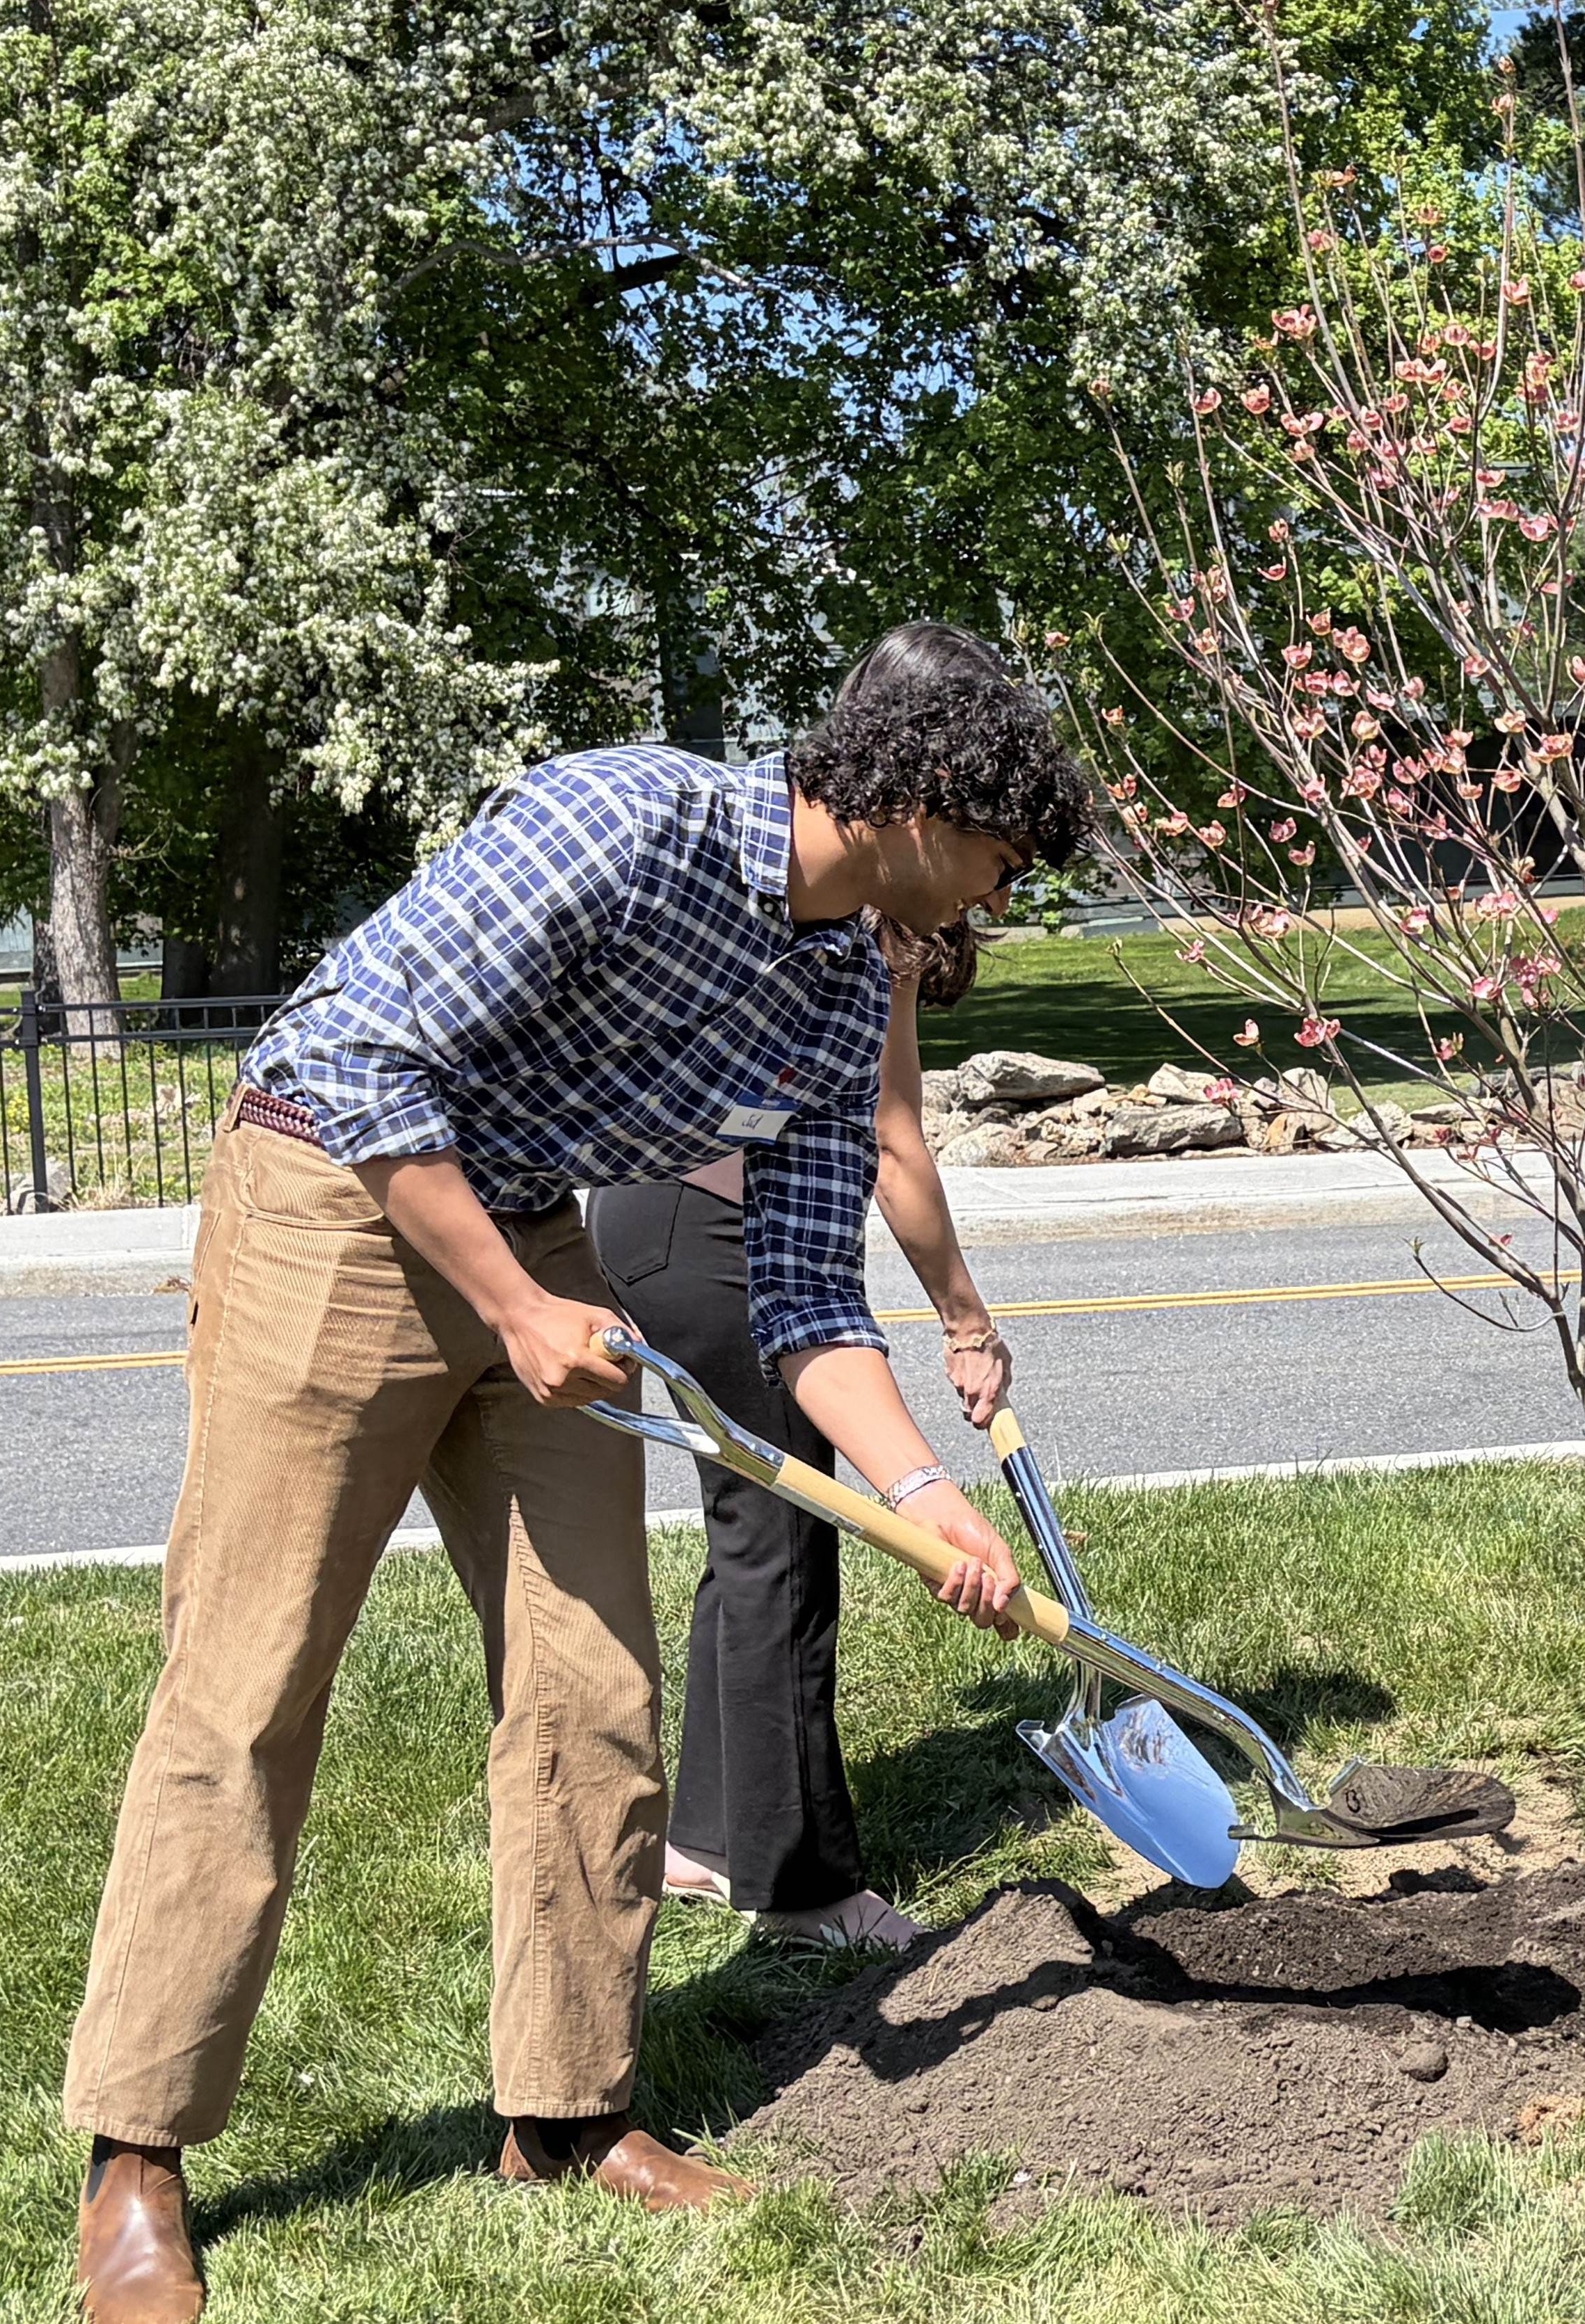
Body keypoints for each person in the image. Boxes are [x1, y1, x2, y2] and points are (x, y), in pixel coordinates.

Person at [59, 650, 1091, 2324]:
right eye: (998, 854)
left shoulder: (840, 991)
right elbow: (359, 1050)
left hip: (532, 1225)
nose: (1004, 891)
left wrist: (923, 1491)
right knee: (248, 1682)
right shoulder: (623, 819)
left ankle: (567, 2110)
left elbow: (809, 1296)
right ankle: (139, 2157)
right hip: (337, 1194)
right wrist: (518, 1305)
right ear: (910, 812)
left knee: (590, 1685)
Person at [593, 626, 1020, 1953]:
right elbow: (892, 1139)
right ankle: (802, 1886)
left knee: (751, 1528)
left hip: (648, 1218)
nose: (985, 898)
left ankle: (712, 1841)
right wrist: (962, 1313)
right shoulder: (861, 923)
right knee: (785, 1542)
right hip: (707, 1232)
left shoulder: (830, 884)